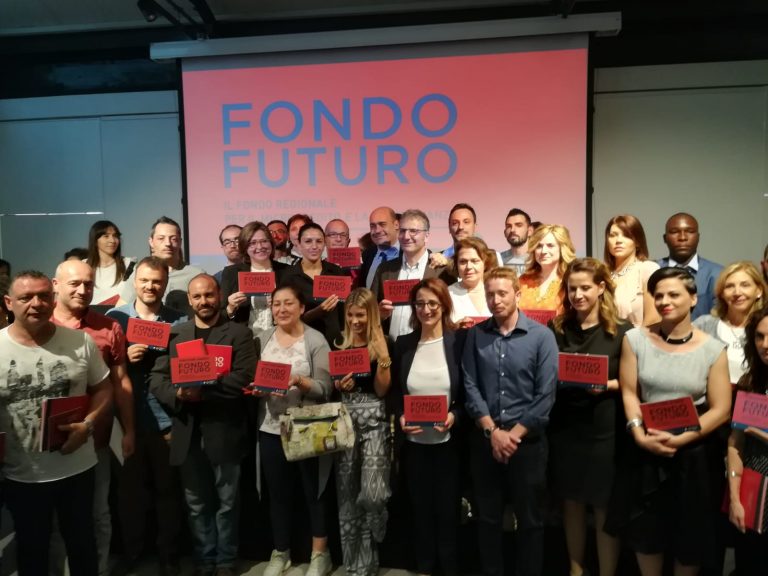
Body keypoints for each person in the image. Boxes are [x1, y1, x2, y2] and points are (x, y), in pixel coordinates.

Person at [607, 267, 731, 576]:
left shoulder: (713, 349)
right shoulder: (635, 339)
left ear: (693, 298)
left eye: (673, 294)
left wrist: (683, 439)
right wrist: (638, 434)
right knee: (647, 536)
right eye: (658, 295)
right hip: (646, 449)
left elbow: (721, 409)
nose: (664, 301)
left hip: (693, 455)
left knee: (689, 541)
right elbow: (630, 393)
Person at [0, 271, 111, 576]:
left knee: (82, 546)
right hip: (21, 475)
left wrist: (88, 425)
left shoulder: (80, 341)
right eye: (26, 297)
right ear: (9, 302)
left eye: (43, 296)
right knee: (32, 551)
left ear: (53, 298)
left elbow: (104, 389)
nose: (36, 303)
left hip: (77, 468)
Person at [150, 274, 257, 576]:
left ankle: (225, 561)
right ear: (189, 300)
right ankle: (204, 560)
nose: (204, 301)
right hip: (187, 430)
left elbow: (245, 376)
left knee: (227, 502)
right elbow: (157, 379)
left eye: (209, 295)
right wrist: (178, 394)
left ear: (219, 295)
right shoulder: (177, 333)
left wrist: (203, 389)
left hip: (225, 429)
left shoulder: (239, 333)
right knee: (196, 504)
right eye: (197, 297)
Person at [463, 266, 558, 576]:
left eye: (502, 293)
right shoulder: (476, 335)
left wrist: (512, 436)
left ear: (517, 294)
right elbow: (470, 385)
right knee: (488, 519)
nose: (496, 300)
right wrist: (492, 432)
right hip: (486, 442)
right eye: (490, 294)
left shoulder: (542, 337)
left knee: (530, 521)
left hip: (527, 445)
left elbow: (545, 394)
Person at [52, 260, 135, 576]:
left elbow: (121, 382)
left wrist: (129, 430)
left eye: (88, 284)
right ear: (56, 285)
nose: (82, 290)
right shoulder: (39, 324)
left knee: (99, 513)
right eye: (74, 283)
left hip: (96, 438)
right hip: (49, 443)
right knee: (56, 519)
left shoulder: (109, 327)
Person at [548, 258, 630, 576]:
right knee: (571, 502)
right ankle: (576, 569)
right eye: (572, 289)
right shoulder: (556, 329)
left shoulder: (622, 332)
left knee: (603, 504)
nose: (578, 295)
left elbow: (632, 382)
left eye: (585, 288)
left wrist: (606, 385)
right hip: (566, 427)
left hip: (605, 429)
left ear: (601, 287)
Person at [107, 256, 187, 576]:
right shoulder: (116, 319)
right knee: (129, 494)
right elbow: (102, 368)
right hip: (127, 421)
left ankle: (169, 556)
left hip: (167, 419)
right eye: (144, 280)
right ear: (135, 282)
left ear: (165, 284)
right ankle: (131, 552)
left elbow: (187, 365)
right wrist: (123, 357)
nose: (150, 286)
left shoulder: (179, 320)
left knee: (168, 493)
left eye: (157, 281)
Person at [252, 283, 333, 576]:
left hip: (306, 428)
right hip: (270, 428)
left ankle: (320, 555)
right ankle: (280, 552)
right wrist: (256, 389)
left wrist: (298, 381)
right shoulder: (261, 339)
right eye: (276, 304)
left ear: (301, 308)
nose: (282, 309)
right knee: (278, 494)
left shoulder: (316, 340)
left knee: (314, 493)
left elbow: (326, 389)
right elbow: (255, 380)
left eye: (288, 303)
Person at [392, 277, 466, 576]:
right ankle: (424, 566)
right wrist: (400, 415)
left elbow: (468, 392)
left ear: (444, 305)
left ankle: (449, 567)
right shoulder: (404, 344)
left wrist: (455, 415)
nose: (426, 309)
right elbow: (396, 392)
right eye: (420, 303)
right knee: (420, 510)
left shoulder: (458, 342)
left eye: (432, 303)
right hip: (414, 446)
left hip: (448, 444)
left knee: (448, 511)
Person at [333, 288, 392, 576]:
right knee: (347, 498)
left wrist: (383, 359)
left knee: (373, 494)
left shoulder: (383, 342)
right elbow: (332, 386)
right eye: (351, 315)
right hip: (345, 423)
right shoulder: (338, 344)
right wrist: (338, 385)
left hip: (374, 423)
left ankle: (378, 520)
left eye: (361, 315)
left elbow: (382, 390)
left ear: (372, 315)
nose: (355, 321)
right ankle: (358, 567)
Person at [726, 305, 768, 573]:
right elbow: (735, 444)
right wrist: (734, 498)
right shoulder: (750, 382)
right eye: (759, 336)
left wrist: (762, 434)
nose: (766, 344)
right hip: (754, 497)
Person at [374, 209, 450, 340]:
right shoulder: (385, 270)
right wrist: (379, 315)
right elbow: (370, 308)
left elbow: (449, 313)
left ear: (427, 236)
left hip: (427, 345)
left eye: (413, 231)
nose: (406, 236)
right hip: (389, 347)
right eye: (402, 231)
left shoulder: (441, 271)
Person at [694, 261, 766, 385]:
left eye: (745, 285)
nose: (737, 292)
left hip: (755, 396)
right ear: (721, 293)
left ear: (759, 290)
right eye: (729, 286)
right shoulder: (704, 325)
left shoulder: (765, 327)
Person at [281, 222, 347, 346]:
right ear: (299, 244)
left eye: (319, 241)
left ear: (324, 243)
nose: (314, 246)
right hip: (302, 344)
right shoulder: (289, 277)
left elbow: (343, 311)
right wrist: (317, 312)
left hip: (335, 343)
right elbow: (287, 319)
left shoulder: (336, 271)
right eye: (308, 241)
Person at [220, 221, 289, 336]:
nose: (260, 247)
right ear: (244, 247)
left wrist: (282, 304)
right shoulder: (231, 273)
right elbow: (219, 316)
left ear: (271, 243)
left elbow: (298, 308)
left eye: (264, 241)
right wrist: (230, 308)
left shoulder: (287, 271)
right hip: (244, 339)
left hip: (280, 336)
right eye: (252, 243)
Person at [658, 212, 723, 320]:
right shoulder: (652, 270)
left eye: (690, 231)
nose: (682, 237)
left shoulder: (718, 274)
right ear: (665, 238)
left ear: (698, 237)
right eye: (674, 232)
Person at [603, 214, 660, 327]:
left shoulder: (647, 269)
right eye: (613, 235)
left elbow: (653, 320)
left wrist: (631, 338)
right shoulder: (602, 273)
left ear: (637, 241)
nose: (618, 240)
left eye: (626, 235)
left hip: (638, 336)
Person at [148, 216, 205, 315]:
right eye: (161, 238)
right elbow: (122, 307)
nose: (168, 243)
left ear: (180, 242)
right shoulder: (140, 273)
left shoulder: (197, 275)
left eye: (173, 239)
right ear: (151, 242)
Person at [518, 224, 576, 315]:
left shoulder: (570, 281)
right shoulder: (523, 281)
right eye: (539, 246)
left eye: (550, 245)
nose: (543, 251)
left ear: (562, 248)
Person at [86, 220, 137, 306]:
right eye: (106, 236)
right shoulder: (84, 265)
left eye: (115, 236)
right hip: (90, 312)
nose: (112, 240)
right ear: (95, 240)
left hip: (120, 312)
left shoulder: (129, 264)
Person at [448, 237, 494, 325]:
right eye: (463, 262)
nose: (468, 267)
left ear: (485, 263)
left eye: (474, 261)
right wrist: (455, 327)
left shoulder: (496, 292)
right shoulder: (447, 294)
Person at [360, 206, 400, 290]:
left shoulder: (410, 253)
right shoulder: (367, 254)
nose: (377, 230)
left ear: (396, 225)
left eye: (382, 224)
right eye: (372, 226)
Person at [500, 208, 533, 276]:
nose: (512, 230)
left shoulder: (539, 259)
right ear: (505, 232)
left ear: (530, 231)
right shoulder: (497, 260)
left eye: (519, 225)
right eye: (509, 226)